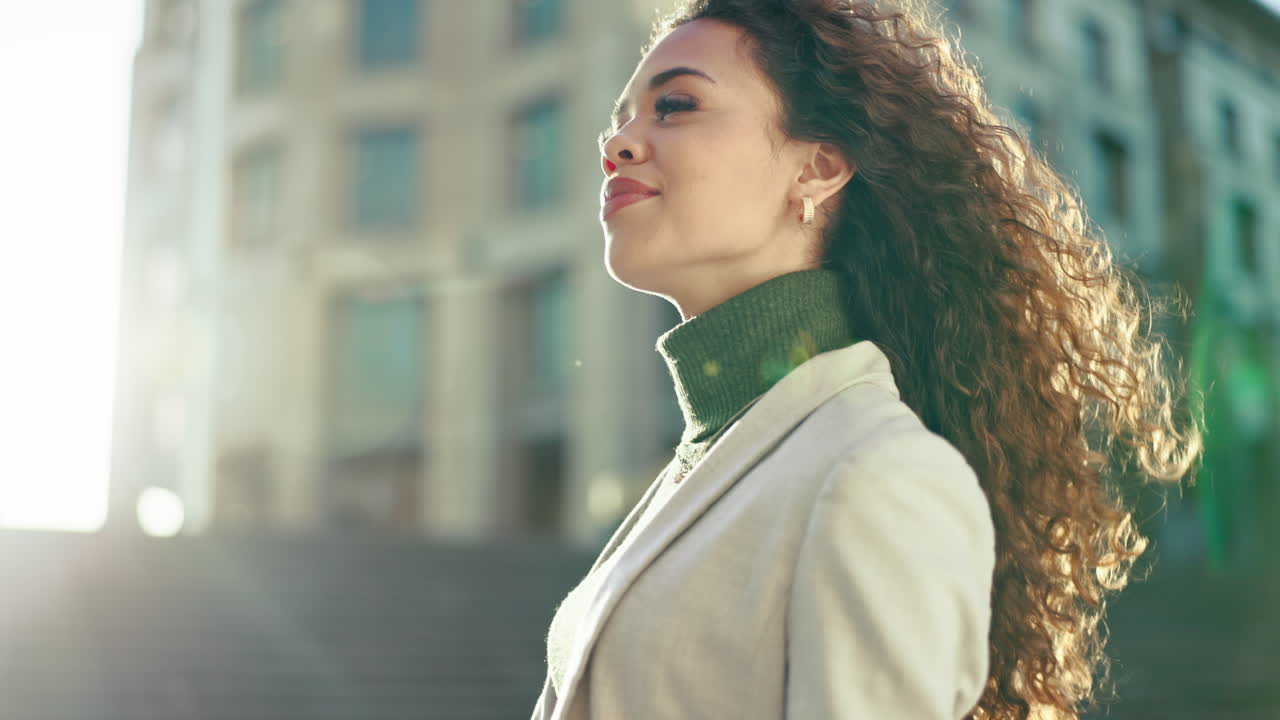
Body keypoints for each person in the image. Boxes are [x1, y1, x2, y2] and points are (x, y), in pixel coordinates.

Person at [531, 1, 1203, 718]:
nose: (619, 144)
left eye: (674, 105)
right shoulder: (714, 450)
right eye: (620, 119)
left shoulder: (877, 476)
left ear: (818, 168)